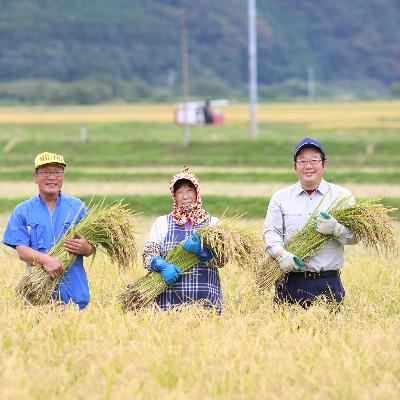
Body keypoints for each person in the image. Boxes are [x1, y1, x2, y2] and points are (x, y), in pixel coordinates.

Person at [263, 138, 358, 308]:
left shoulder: (342, 197)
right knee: (285, 334)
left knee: (331, 334)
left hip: (328, 282)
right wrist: (280, 254)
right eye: (302, 161)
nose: (308, 166)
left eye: (314, 160)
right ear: (295, 166)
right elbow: (271, 233)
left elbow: (355, 236)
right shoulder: (280, 198)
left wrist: (337, 229)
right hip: (290, 281)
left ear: (324, 164)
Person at [2, 152, 94, 310]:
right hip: (38, 296)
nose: (52, 177)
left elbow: (92, 245)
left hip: (74, 295)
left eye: (57, 172)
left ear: (63, 177)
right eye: (45, 172)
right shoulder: (23, 211)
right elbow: (22, 252)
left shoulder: (78, 207)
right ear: (35, 177)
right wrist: (46, 260)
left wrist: (87, 248)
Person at [142, 166, 223, 314]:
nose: (185, 196)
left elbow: (223, 258)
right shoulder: (162, 223)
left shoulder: (213, 223)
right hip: (168, 303)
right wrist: (161, 265)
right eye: (179, 192)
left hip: (206, 302)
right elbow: (147, 255)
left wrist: (203, 252)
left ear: (197, 192)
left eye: (189, 190)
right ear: (174, 196)